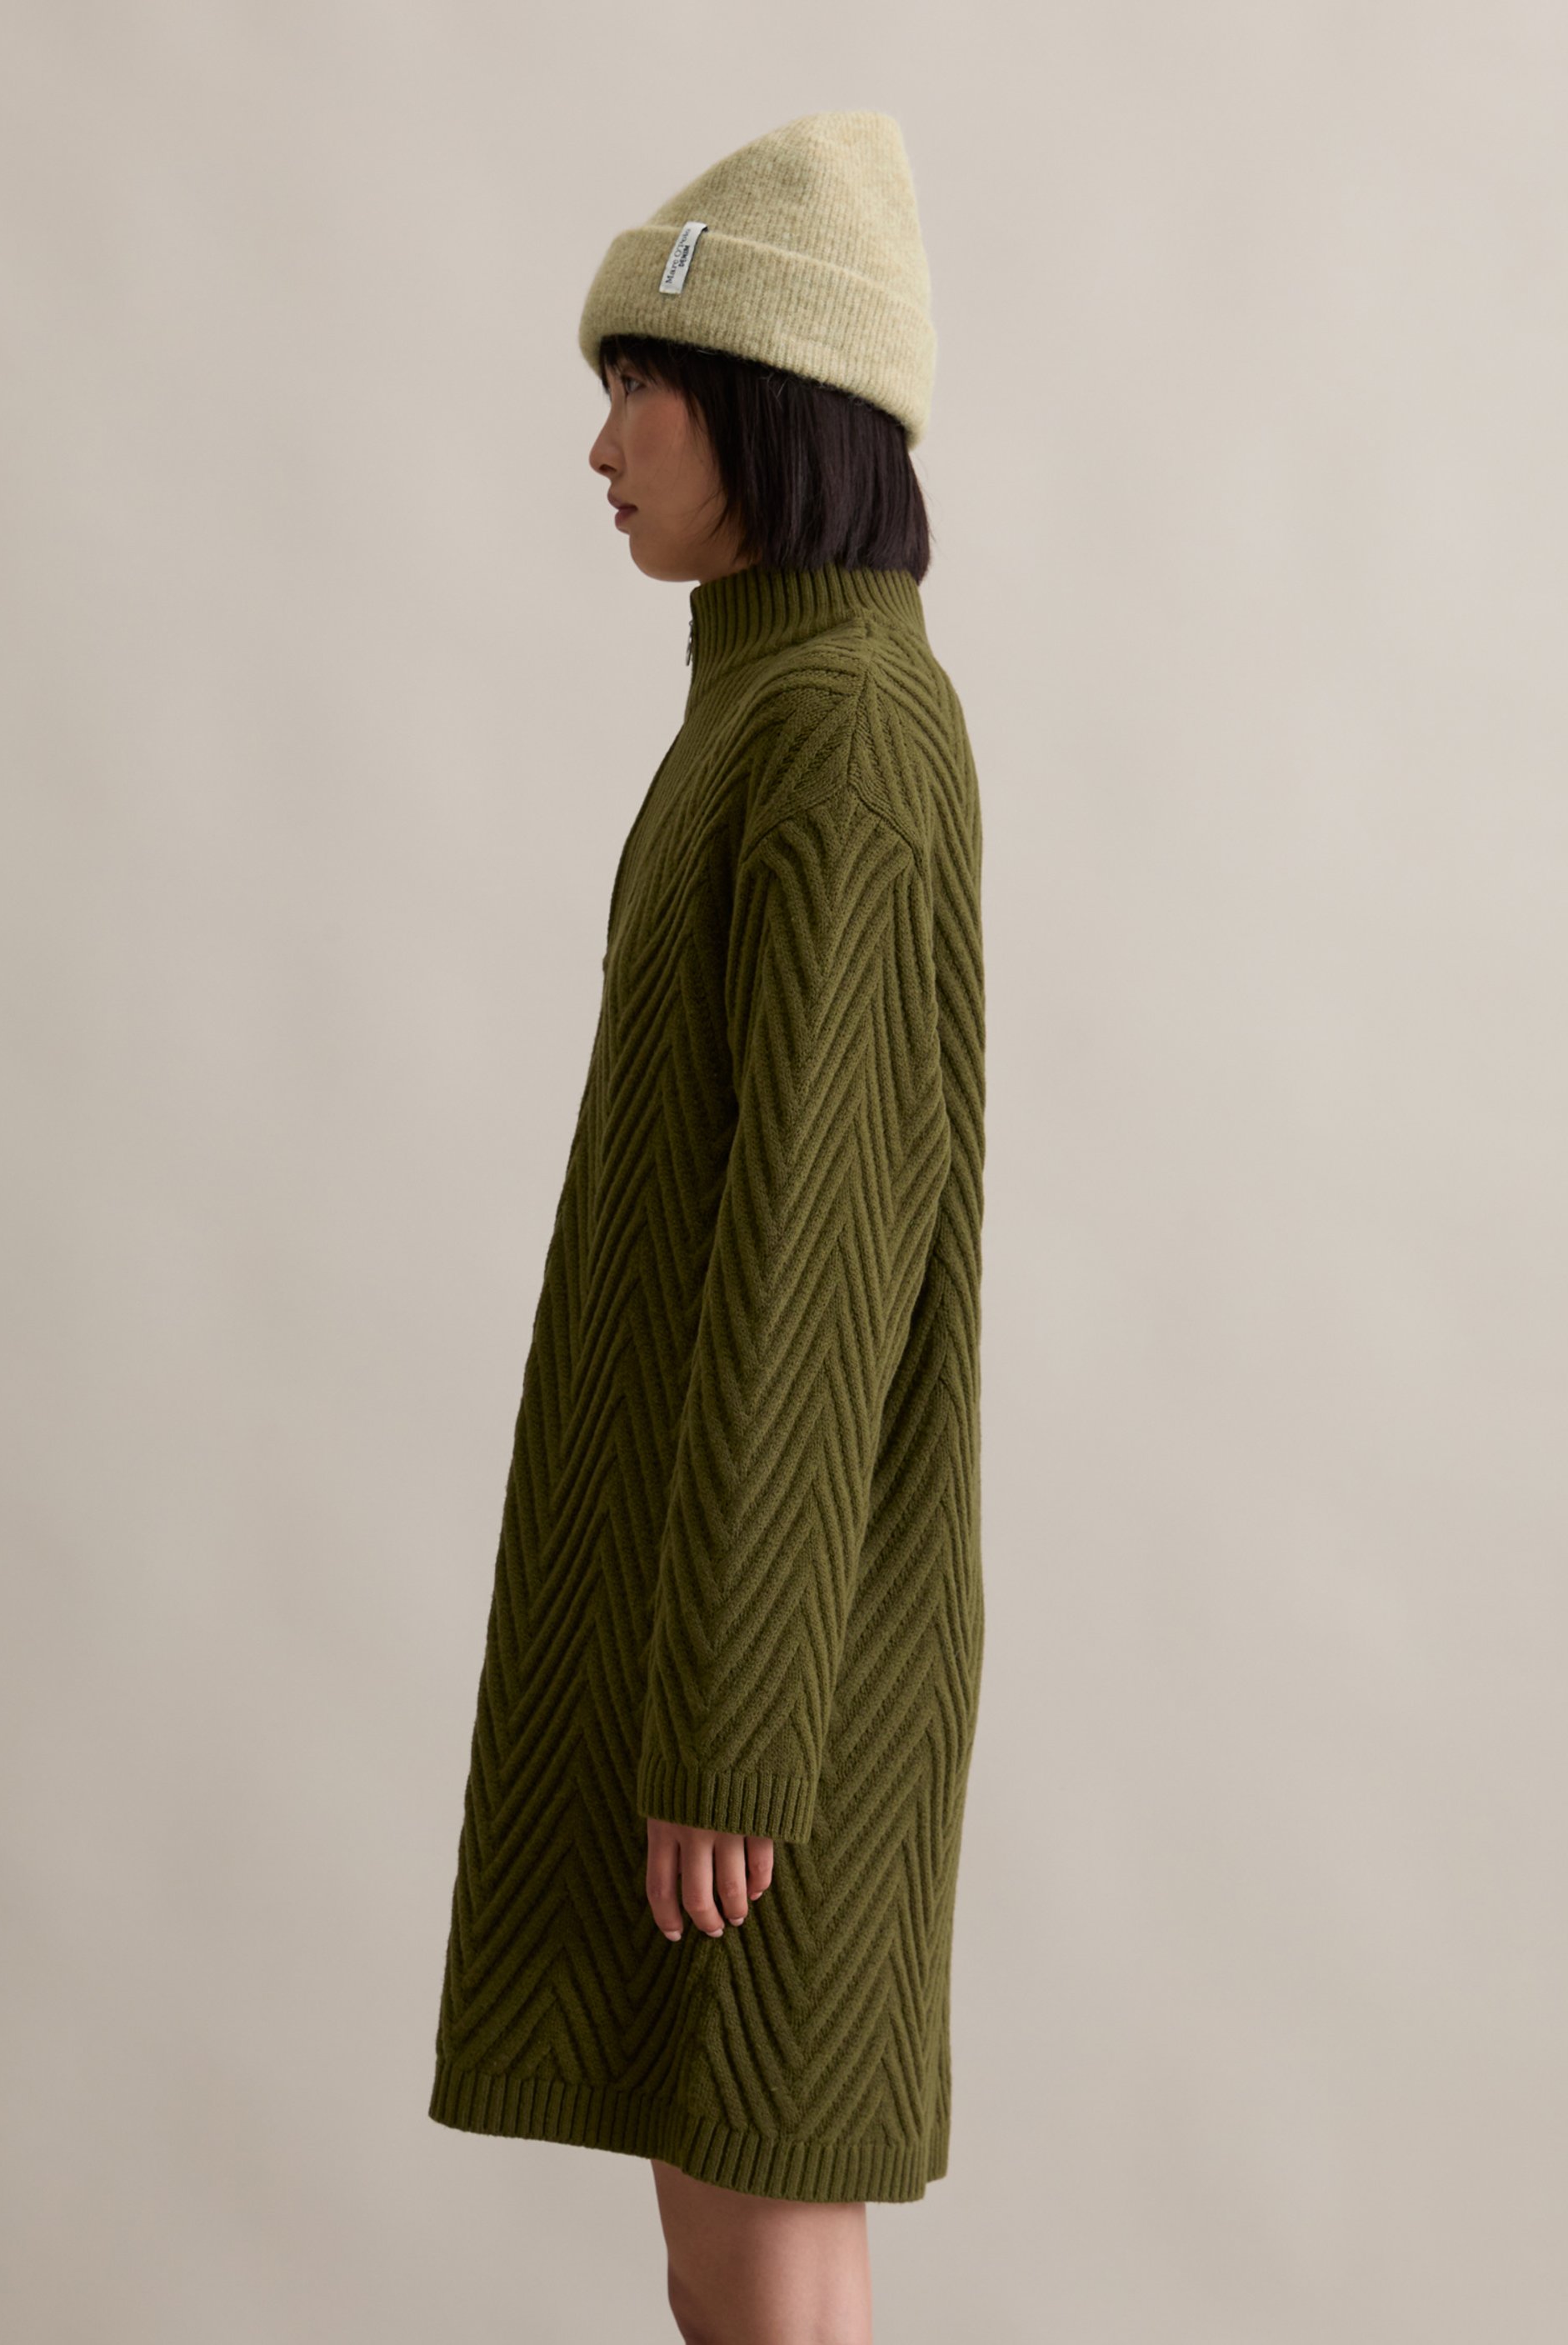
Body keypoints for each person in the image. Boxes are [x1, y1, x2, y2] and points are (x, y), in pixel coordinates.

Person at [427, 111, 986, 2345]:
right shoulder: (764, 705)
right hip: (703, 1631)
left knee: (769, 2263)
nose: (600, 444)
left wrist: (740, 1731)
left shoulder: (843, 728)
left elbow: (817, 1267)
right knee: (717, 2247)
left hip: (772, 1664)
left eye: (637, 384)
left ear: (769, 395)